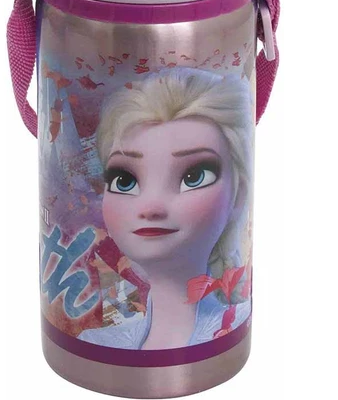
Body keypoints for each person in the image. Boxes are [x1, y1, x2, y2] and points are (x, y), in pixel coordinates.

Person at [78, 67, 253, 350]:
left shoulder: (235, 324)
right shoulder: (98, 342)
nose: (151, 206)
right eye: (125, 180)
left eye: (194, 176)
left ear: (238, 196)